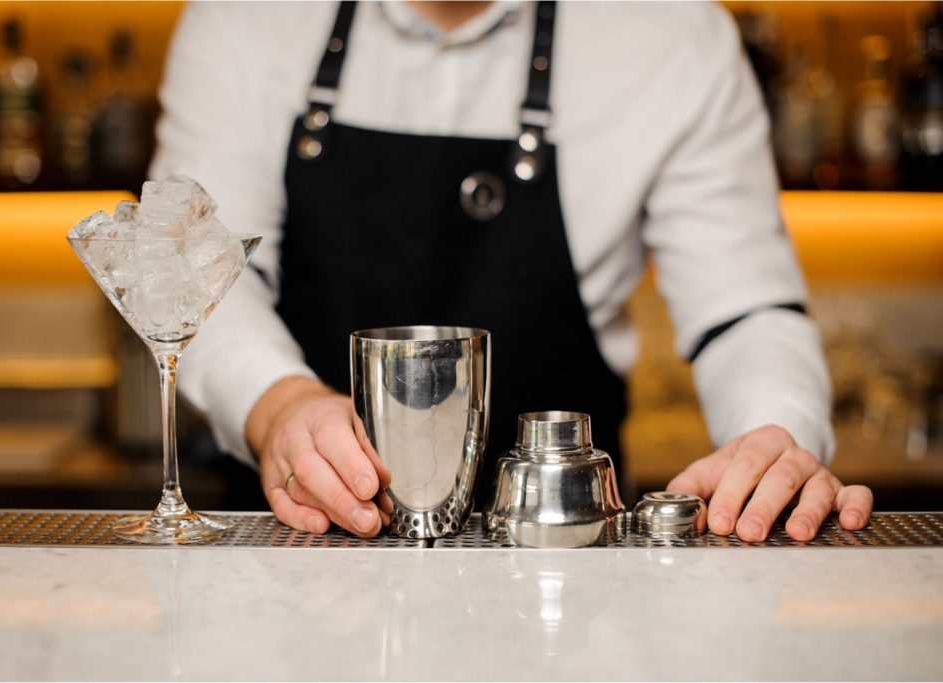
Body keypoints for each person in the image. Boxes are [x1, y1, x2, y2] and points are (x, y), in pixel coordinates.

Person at [149, 1, 873, 541]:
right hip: (299, 552)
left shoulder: (675, 33)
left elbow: (744, 311)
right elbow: (195, 268)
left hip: (571, 571)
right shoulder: (242, 16)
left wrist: (774, 434)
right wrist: (276, 406)